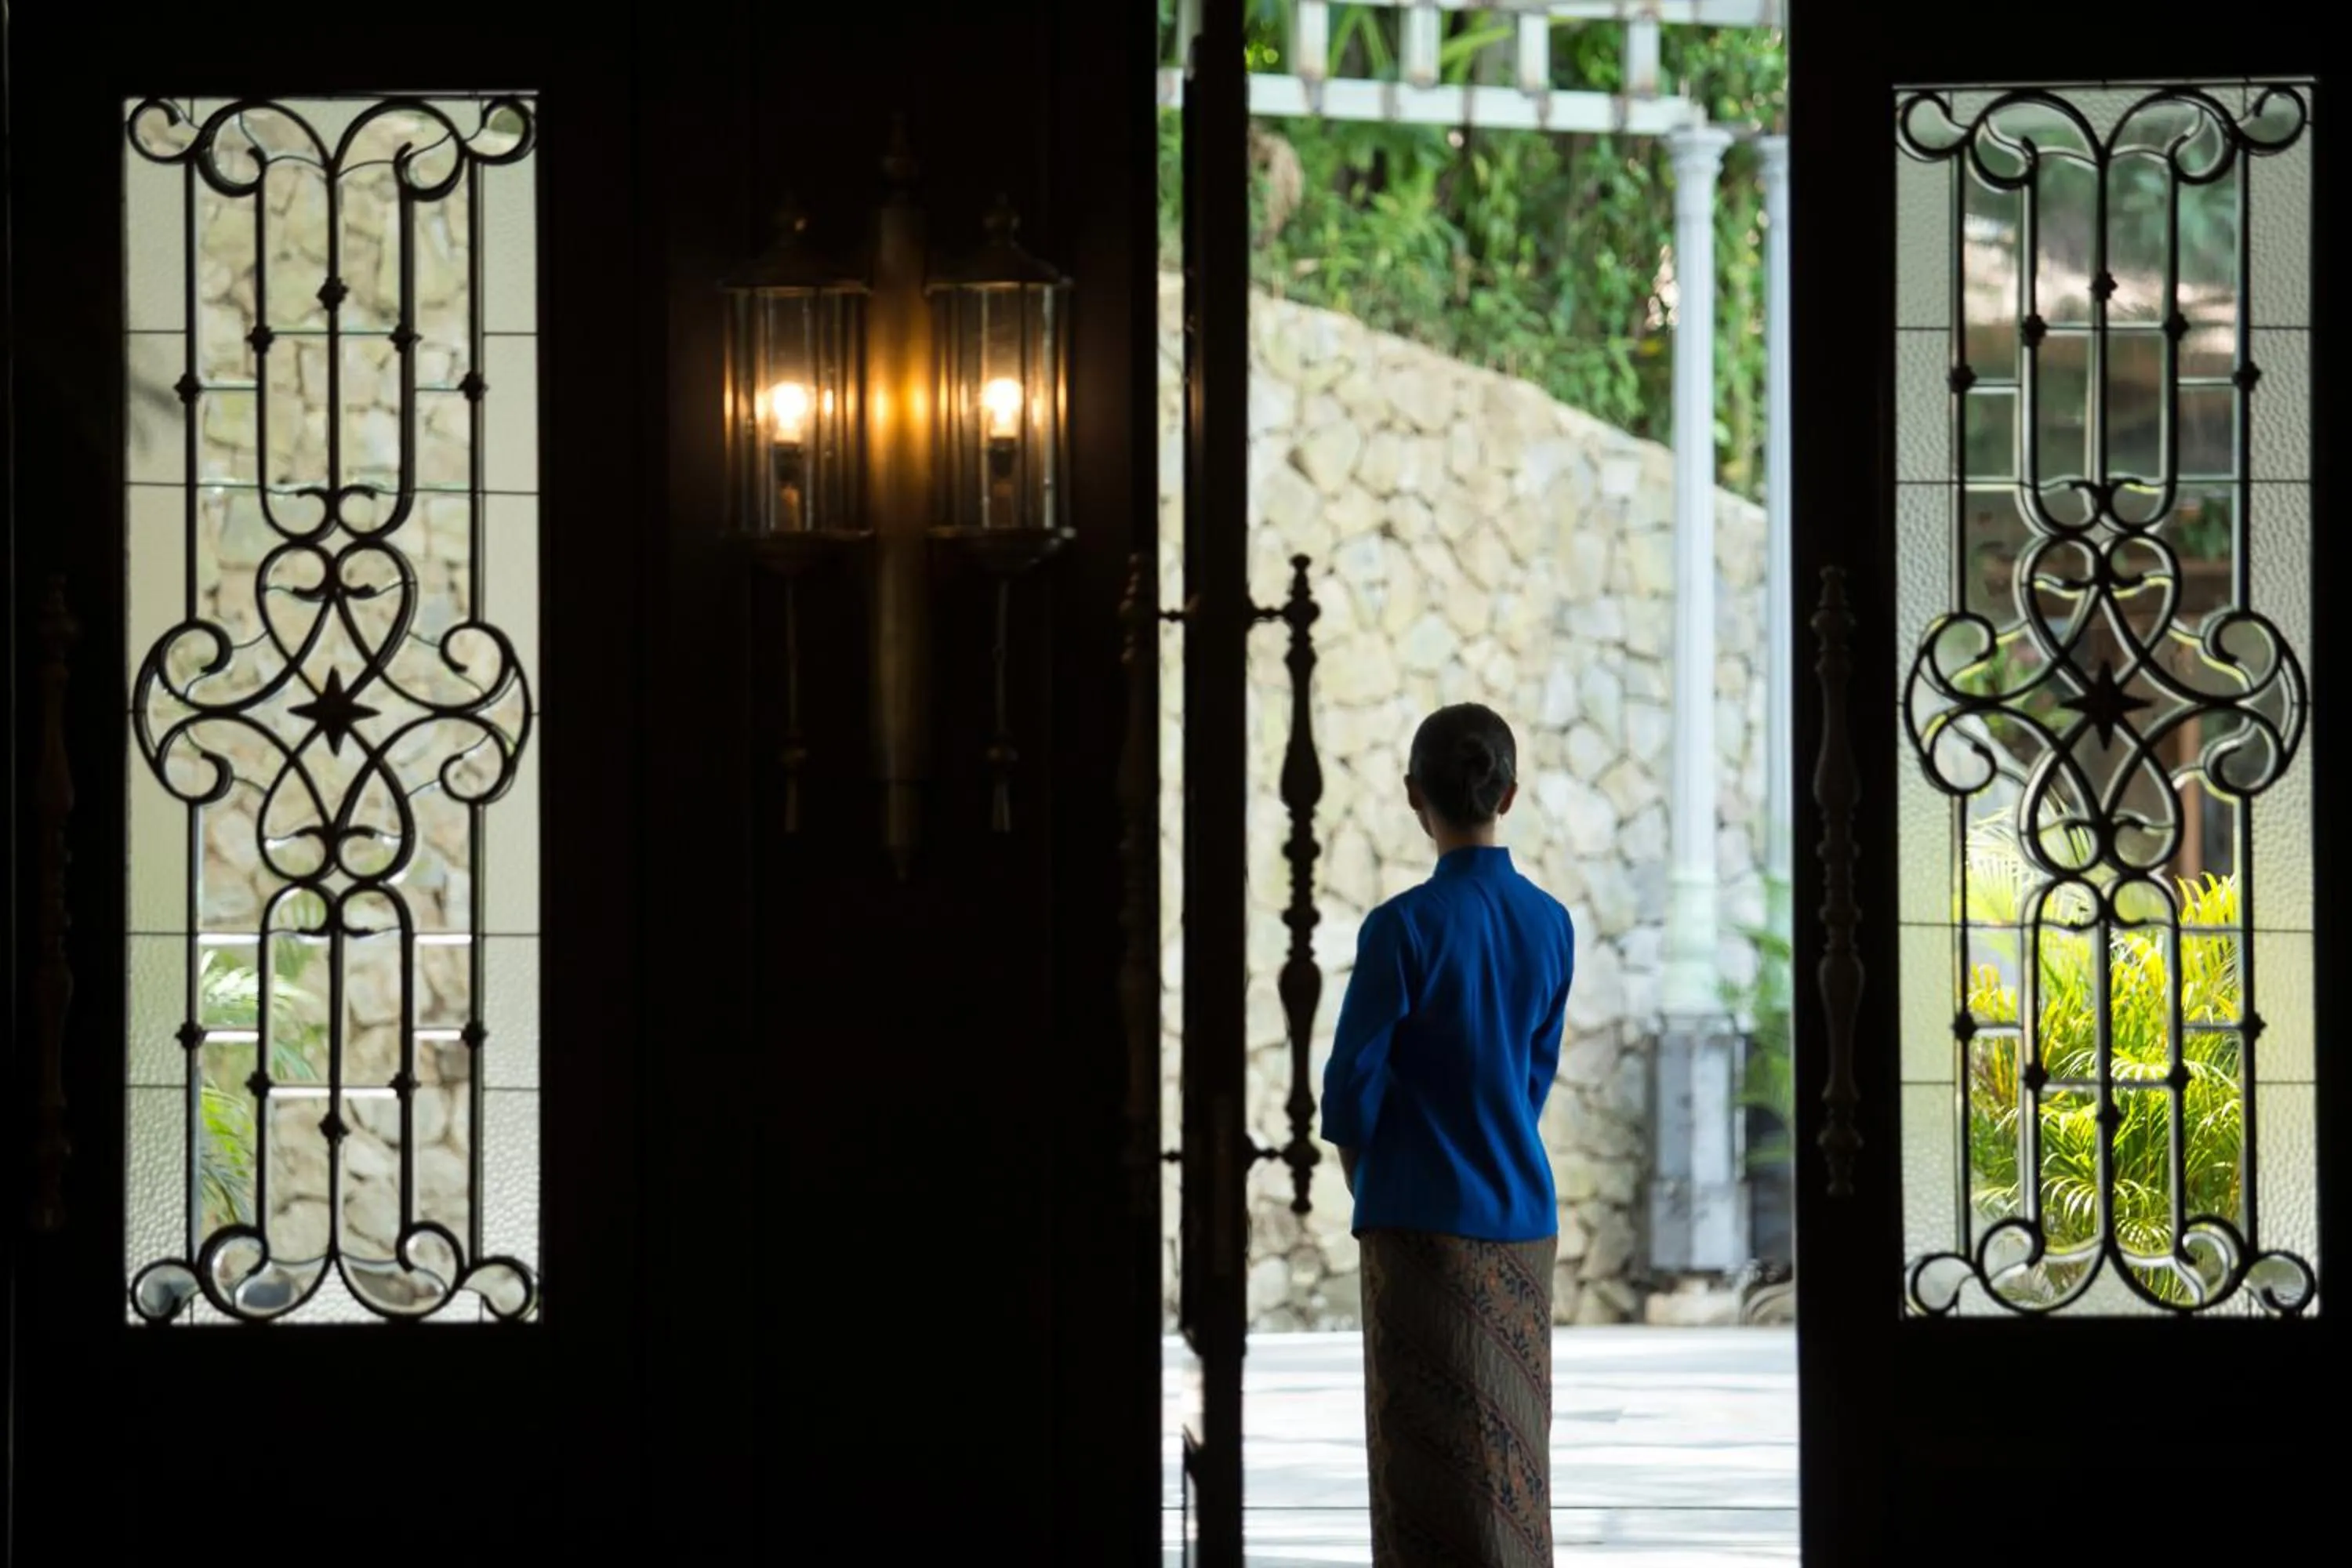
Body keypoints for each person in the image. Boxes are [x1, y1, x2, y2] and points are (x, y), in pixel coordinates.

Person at [1320, 702, 1576, 1568]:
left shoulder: (1401, 927)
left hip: (1416, 1221)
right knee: (1510, 1458)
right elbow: (1532, 1073)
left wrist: (1373, 1172)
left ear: (1411, 794)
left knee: (1423, 1470)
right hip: (1520, 1222)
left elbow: (1350, 1085)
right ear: (1508, 793)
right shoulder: (1550, 923)